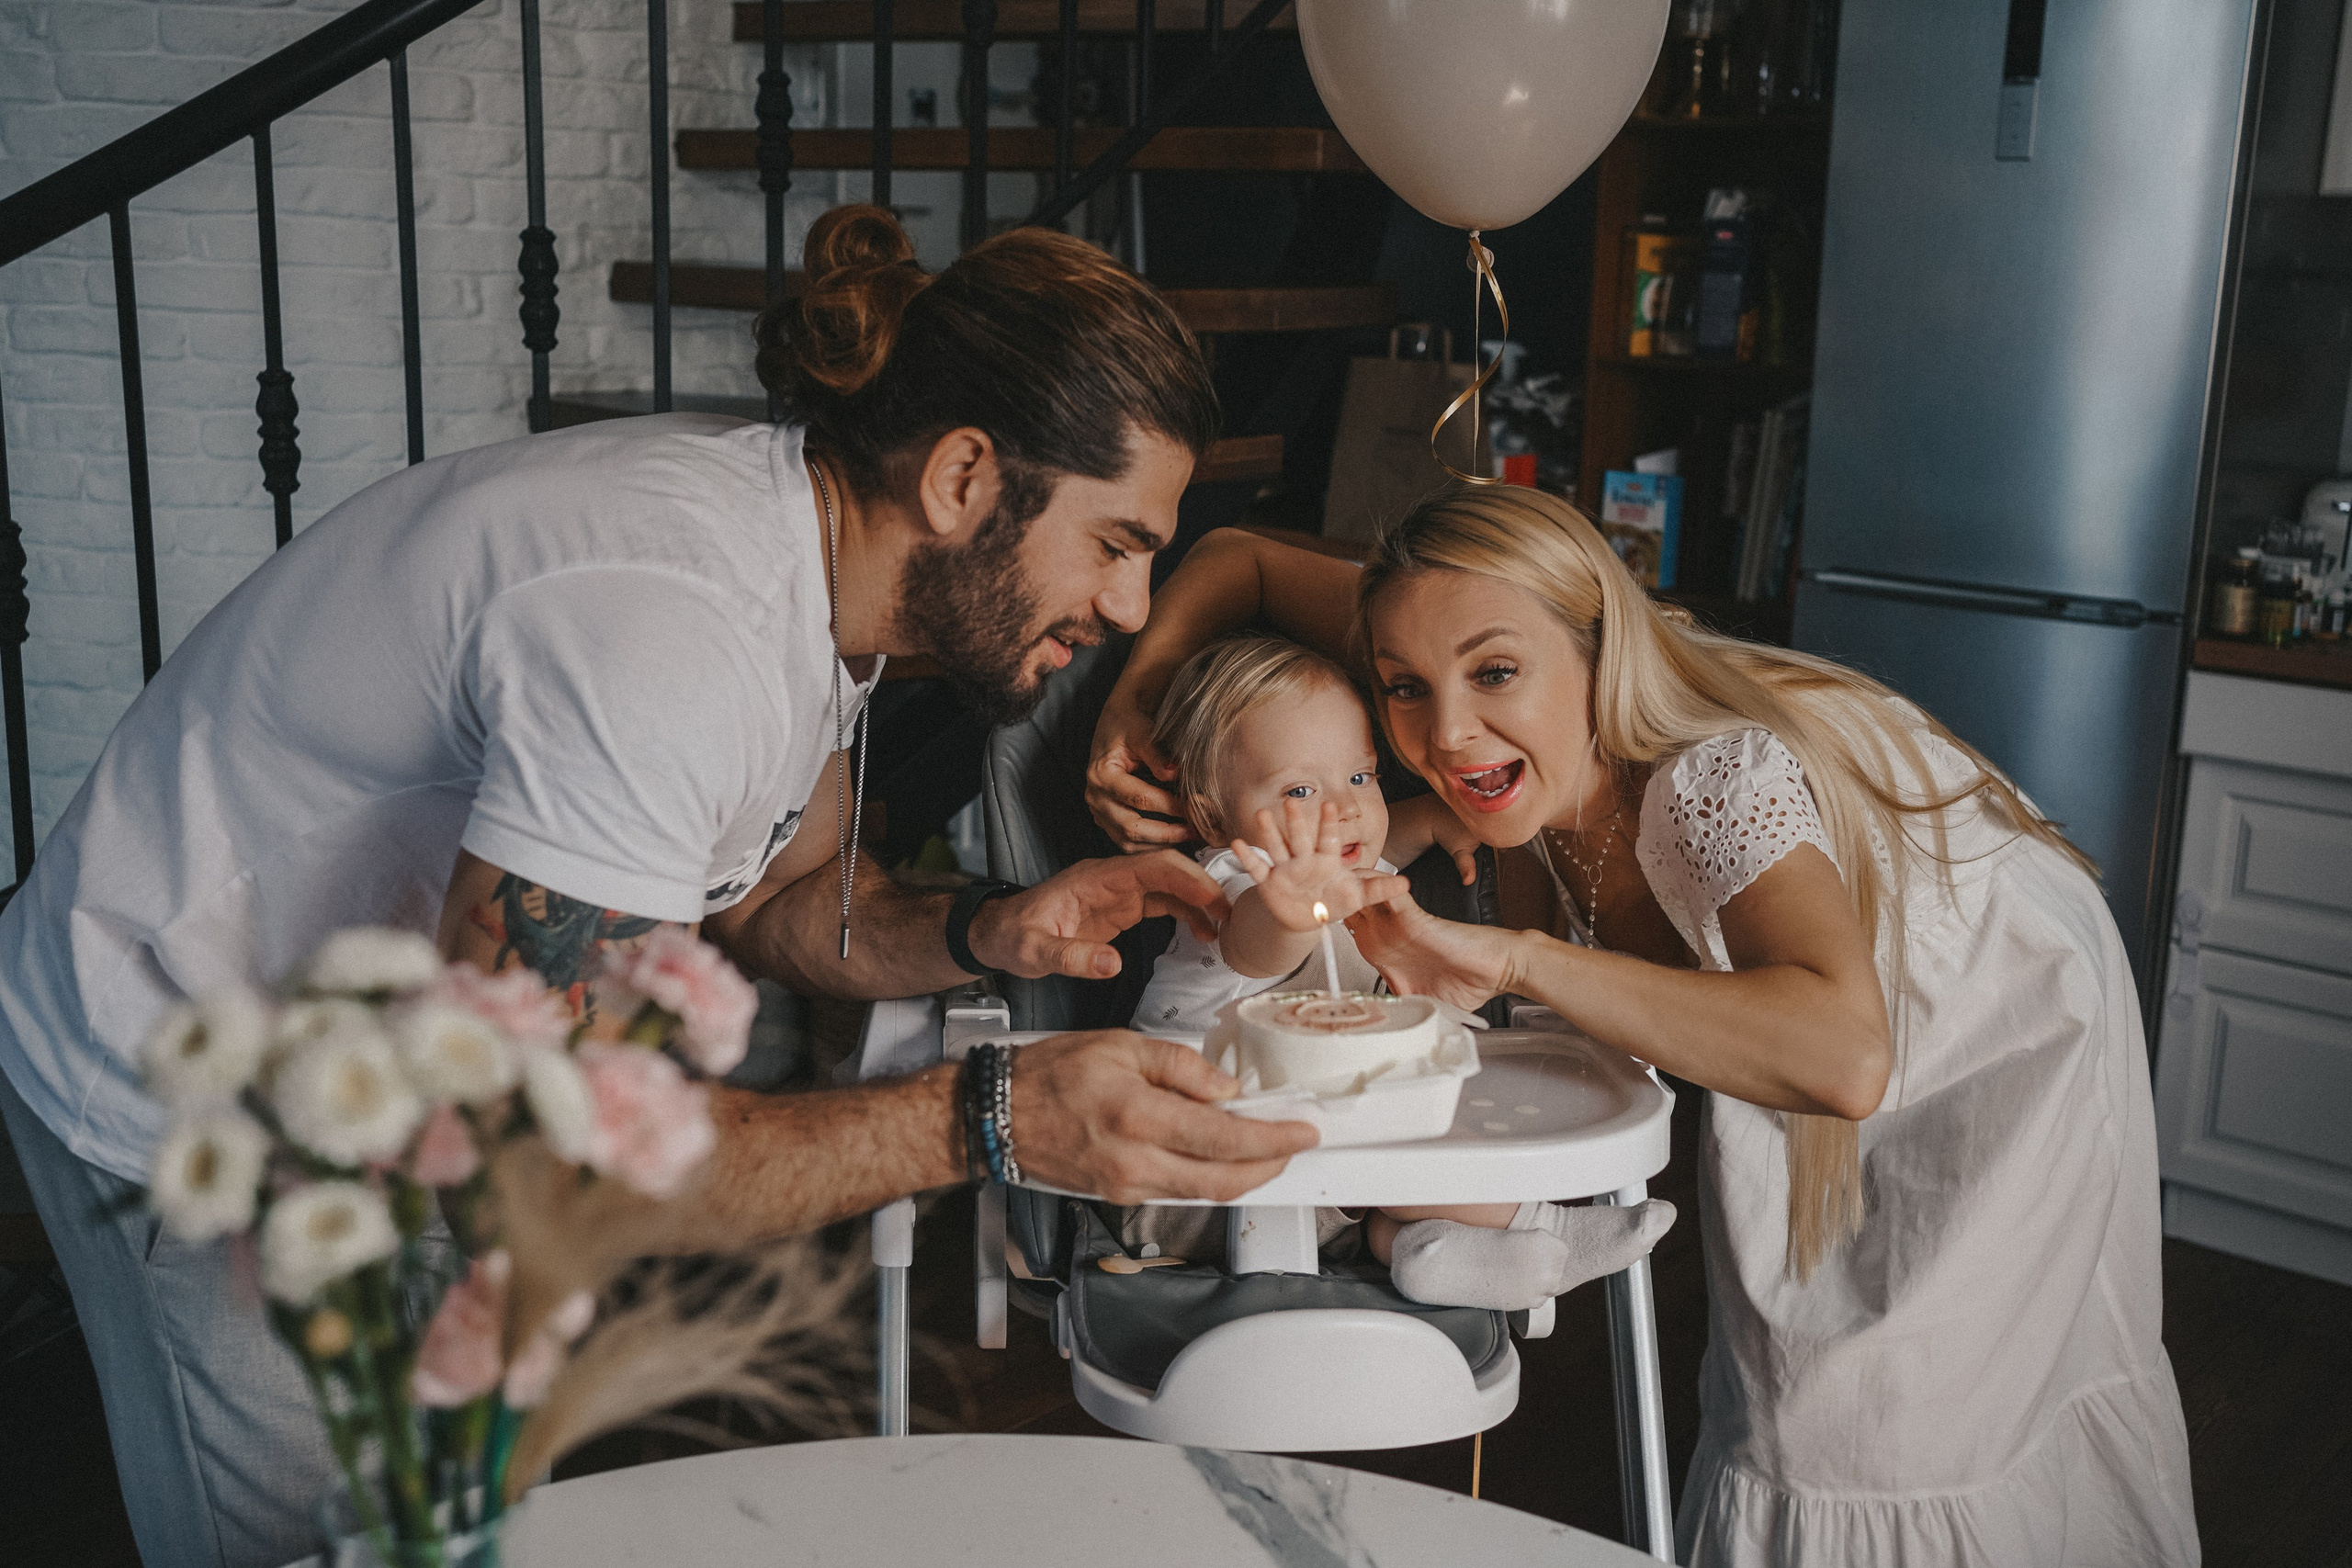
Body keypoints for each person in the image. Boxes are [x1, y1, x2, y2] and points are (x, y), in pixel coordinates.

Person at [0, 204, 1317, 1568]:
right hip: (195, 1055)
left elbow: (783, 898)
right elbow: (540, 1169)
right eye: (1116, 540)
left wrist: (999, 924)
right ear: (965, 476)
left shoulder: (819, 567)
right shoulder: (675, 639)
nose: (1130, 602)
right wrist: (992, 1113)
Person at [1086, 488, 2199, 1567]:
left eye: (1497, 674)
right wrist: (1134, 702)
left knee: (1878, 1425)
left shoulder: (1716, 783)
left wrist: (1523, 959)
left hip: (1991, 1002)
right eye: (1402, 693)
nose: (1446, 732)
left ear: (1596, 644)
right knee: (1779, 1376)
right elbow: (1240, 557)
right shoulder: (1430, 614)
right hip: (1807, 1003)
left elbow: (1845, 1057)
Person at [1119, 631, 1674, 1297]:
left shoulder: (1338, 862)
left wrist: (1432, 820)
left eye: (1360, 776)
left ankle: (1424, 1252)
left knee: (1397, 1173)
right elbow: (1252, 941)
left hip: (1321, 1186)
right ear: (1213, 814)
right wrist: (1290, 909)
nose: (1344, 807)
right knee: (1411, 1149)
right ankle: (1547, 1227)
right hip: (1190, 1179)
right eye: (1299, 790)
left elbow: (1372, 840)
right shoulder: (1236, 884)